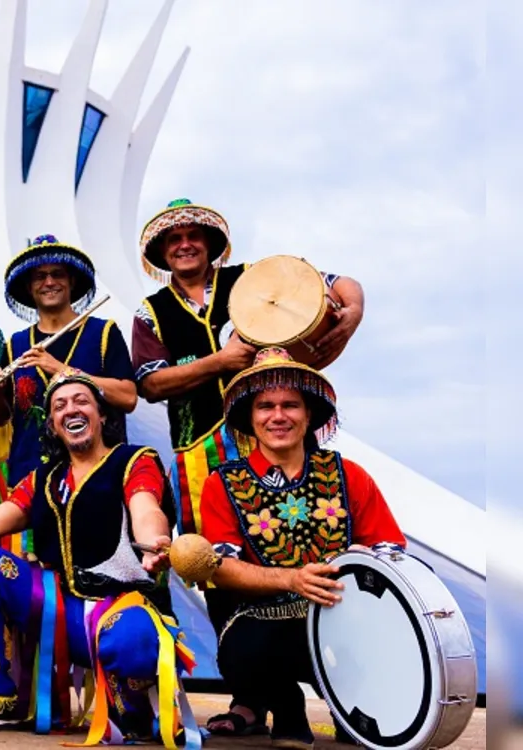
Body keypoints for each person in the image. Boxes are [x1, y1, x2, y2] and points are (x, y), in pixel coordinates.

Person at [130, 198, 365, 735]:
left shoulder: (252, 280)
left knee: (305, 549)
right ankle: (250, 697)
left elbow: (336, 282)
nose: (185, 243)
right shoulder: (150, 310)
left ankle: (340, 690)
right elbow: (149, 383)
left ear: (212, 243)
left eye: (195, 234)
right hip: (201, 454)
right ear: (161, 252)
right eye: (174, 239)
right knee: (215, 566)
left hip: (274, 439)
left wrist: (351, 314)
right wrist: (220, 362)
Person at [0, 369, 196, 747]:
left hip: (121, 608)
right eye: (59, 405)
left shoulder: (134, 459)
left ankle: (137, 702)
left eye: (81, 401)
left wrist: (153, 540)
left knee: (136, 643)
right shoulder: (42, 479)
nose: (70, 409)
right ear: (54, 425)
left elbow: (146, 507)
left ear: (102, 415)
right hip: (60, 613)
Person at [199, 347, 406, 749]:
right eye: (265, 406)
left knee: (364, 722)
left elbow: (388, 552)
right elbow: (221, 566)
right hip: (264, 621)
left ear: (308, 415)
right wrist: (291, 578)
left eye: (290, 405)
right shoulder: (221, 483)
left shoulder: (349, 474)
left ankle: (351, 708)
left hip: (341, 618)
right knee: (243, 651)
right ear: (250, 418)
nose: (278, 416)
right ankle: (286, 706)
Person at [0, 234, 137, 488]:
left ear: (71, 281)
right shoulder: (15, 344)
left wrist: (62, 370)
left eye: (57, 274)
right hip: (31, 479)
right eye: (40, 277)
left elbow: (128, 398)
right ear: (29, 287)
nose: (49, 282)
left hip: (99, 476)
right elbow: (1, 418)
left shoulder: (103, 332)